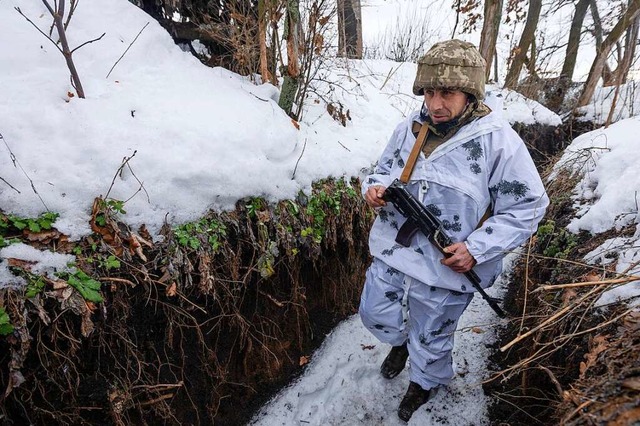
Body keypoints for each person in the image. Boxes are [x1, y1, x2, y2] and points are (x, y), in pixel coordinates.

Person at [359, 39, 549, 422]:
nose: (435, 103)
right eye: (429, 91)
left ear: (471, 93)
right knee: (374, 312)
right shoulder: (410, 128)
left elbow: (528, 205)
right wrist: (374, 189)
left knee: (432, 337)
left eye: (447, 93)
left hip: (447, 266)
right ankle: (400, 343)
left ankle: (424, 383)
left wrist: (477, 249)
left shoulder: (499, 142)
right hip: (395, 248)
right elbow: (381, 169)